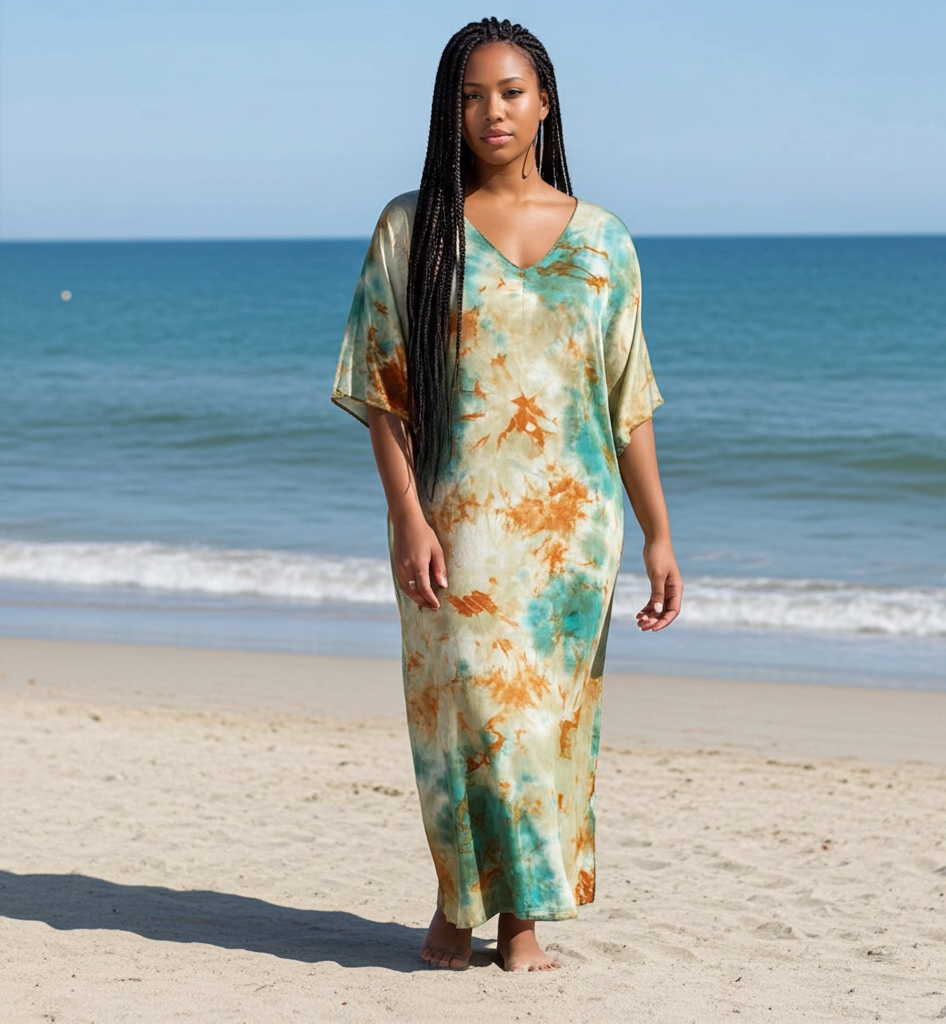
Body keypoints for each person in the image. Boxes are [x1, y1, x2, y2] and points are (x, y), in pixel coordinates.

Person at [332, 17, 682, 972]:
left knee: (546, 725)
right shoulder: (413, 228)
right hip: (456, 524)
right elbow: (383, 391)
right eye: (474, 94)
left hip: (575, 537)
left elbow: (629, 401)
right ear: (453, 110)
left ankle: (521, 920)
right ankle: (458, 908)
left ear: (545, 102)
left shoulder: (604, 240)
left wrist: (658, 533)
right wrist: (408, 515)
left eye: (513, 91)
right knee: (467, 718)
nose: (494, 110)